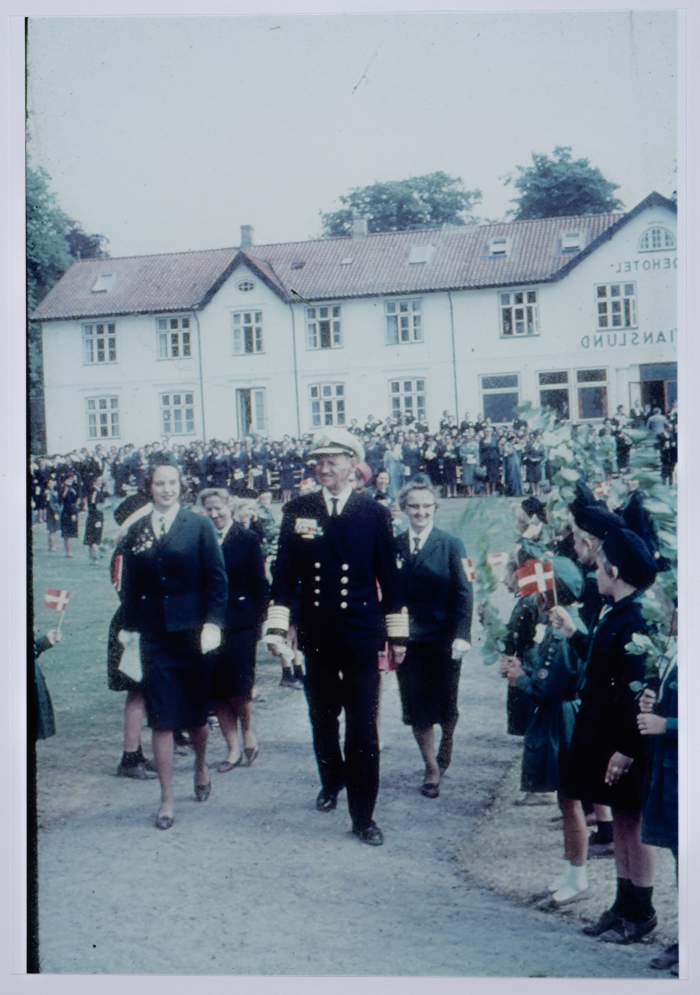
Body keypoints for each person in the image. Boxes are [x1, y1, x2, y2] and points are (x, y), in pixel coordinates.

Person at [262, 428, 408, 846]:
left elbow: (389, 577)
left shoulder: (373, 512)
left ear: (352, 465)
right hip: (318, 632)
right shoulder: (298, 510)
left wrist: (398, 636)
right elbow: (285, 574)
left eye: (332, 460)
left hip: (362, 633)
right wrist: (276, 627)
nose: (324, 467)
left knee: (362, 728)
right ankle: (331, 781)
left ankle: (364, 816)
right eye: (318, 461)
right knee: (323, 718)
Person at [551, 528, 659, 943]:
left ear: (613, 570)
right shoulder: (615, 610)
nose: (594, 573)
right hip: (601, 735)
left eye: (598, 566)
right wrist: (573, 635)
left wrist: (627, 749)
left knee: (634, 823)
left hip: (620, 740)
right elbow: (600, 667)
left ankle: (641, 909)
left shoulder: (635, 618)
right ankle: (622, 903)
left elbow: (637, 693)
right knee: (623, 823)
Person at [118, 454, 228, 830]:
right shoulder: (137, 530)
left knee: (196, 717)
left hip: (194, 635)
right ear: (148, 488)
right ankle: (166, 798)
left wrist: (213, 623)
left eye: (172, 483)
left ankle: (200, 765)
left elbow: (216, 578)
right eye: (159, 483)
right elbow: (130, 585)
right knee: (162, 719)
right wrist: (129, 628)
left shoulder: (198, 525)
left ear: (181, 487)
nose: (166, 489)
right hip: (154, 636)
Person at [500, 557, 589, 904]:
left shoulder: (565, 632)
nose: (534, 598)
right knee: (567, 802)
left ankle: (578, 876)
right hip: (557, 717)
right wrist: (522, 667)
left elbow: (550, 687)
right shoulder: (557, 627)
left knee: (571, 800)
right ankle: (570, 871)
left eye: (539, 592)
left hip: (563, 719)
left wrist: (519, 678)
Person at [394, 476, 472, 797]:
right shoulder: (393, 545)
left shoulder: (452, 543)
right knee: (417, 706)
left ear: (435, 508)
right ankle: (431, 767)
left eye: (426, 506)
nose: (420, 512)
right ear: (404, 509)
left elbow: (464, 592)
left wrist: (462, 635)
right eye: (414, 506)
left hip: (443, 638)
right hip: (407, 640)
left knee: (446, 703)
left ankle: (448, 736)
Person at [199, 489, 269, 771]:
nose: (215, 514)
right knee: (217, 688)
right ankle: (232, 749)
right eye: (209, 510)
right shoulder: (201, 539)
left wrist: (263, 621)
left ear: (229, 506)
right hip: (209, 623)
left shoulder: (248, 538)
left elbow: (260, 584)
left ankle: (248, 731)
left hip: (242, 621)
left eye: (219, 508)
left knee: (239, 685)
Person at [638, 648, 679, 973]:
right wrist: (654, 704)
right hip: (671, 769)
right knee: (684, 862)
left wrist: (667, 723)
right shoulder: (677, 648)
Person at [59, 472, 80, 557]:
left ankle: (69, 551)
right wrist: (72, 513)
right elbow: (67, 502)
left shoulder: (70, 488)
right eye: (70, 479)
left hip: (70, 510)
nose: (71, 480)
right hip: (67, 512)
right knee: (67, 534)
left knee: (69, 533)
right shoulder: (65, 488)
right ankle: (68, 551)